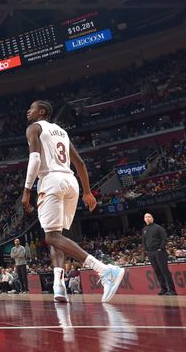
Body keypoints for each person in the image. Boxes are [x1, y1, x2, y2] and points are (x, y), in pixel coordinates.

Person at [22, 100, 124, 304]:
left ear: (41, 112)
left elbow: (34, 160)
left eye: (31, 108)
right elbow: (80, 162)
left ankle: (105, 270)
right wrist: (87, 192)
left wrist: (26, 191)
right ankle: (58, 286)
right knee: (56, 236)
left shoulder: (34, 128)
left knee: (51, 237)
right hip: (71, 182)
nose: (28, 111)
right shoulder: (61, 131)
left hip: (51, 181)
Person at [142, 212, 176, 295]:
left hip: (159, 252)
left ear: (152, 218)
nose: (147, 218)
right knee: (157, 271)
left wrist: (160, 248)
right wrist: (146, 250)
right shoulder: (144, 230)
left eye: (149, 217)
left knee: (164, 271)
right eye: (146, 217)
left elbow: (164, 238)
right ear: (144, 219)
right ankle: (163, 289)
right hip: (150, 253)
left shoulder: (158, 227)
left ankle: (172, 290)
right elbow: (143, 241)